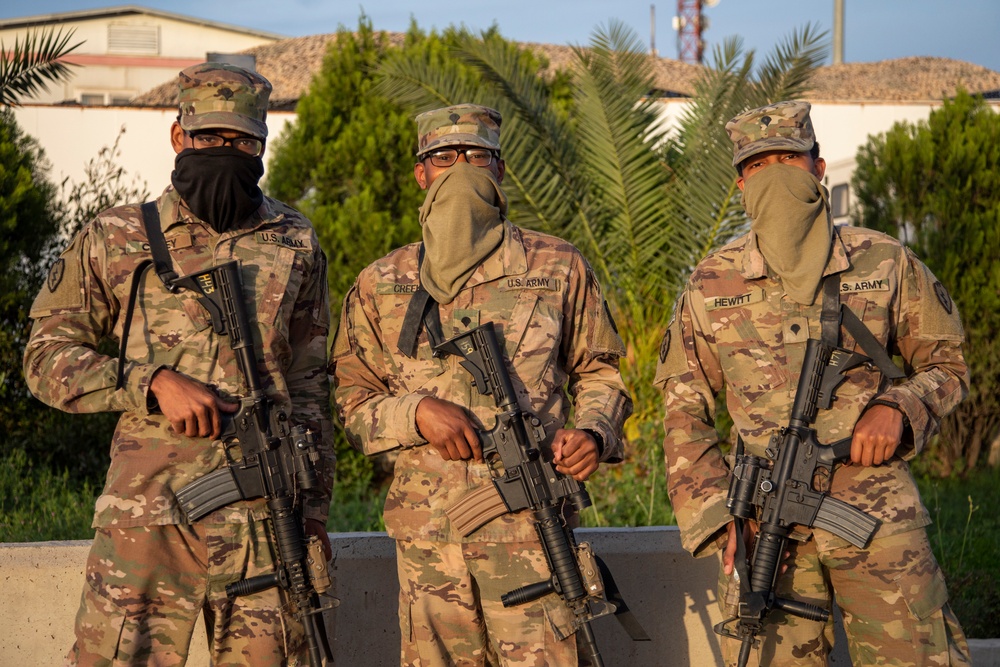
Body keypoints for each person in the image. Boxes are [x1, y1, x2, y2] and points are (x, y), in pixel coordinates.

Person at [23, 63, 334, 666]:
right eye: (209, 138)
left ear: (263, 142)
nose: (226, 151)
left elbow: (309, 384)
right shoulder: (116, 236)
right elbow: (44, 356)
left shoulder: (295, 239)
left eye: (242, 141)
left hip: (268, 523)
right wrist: (150, 382)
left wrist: (314, 511)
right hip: (149, 521)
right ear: (177, 135)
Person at [654, 100, 972, 666]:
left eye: (787, 159)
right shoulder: (710, 283)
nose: (773, 174)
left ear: (819, 167)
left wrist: (898, 406)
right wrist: (719, 518)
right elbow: (682, 413)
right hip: (766, 527)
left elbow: (948, 366)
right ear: (739, 184)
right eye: (757, 165)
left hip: (877, 517)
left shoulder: (883, 262)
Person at [331, 103, 632, 665]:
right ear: (421, 173)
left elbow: (602, 373)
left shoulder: (559, 266)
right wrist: (415, 413)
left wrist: (593, 432)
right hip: (428, 550)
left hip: (534, 537)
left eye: (477, 157)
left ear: (499, 170)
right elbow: (351, 399)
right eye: (444, 158)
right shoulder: (381, 283)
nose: (461, 169)